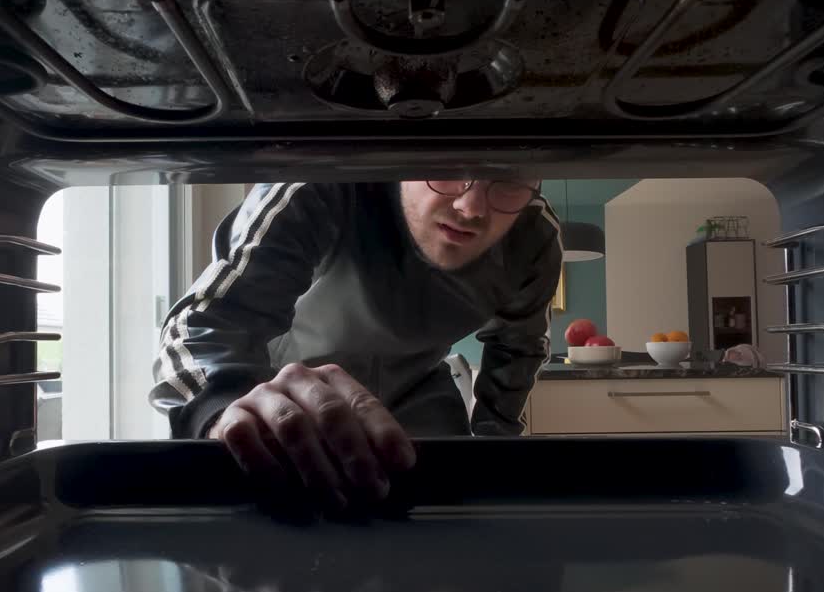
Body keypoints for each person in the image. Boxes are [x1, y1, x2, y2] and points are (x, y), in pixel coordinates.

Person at [150, 180, 562, 507]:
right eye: (449, 163)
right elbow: (211, 319)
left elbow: (518, 348)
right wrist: (222, 407)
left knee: (442, 530)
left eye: (508, 177)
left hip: (422, 398)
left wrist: (494, 451)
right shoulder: (323, 184)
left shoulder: (534, 238)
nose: (471, 208)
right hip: (285, 397)